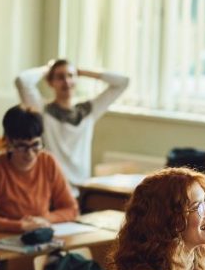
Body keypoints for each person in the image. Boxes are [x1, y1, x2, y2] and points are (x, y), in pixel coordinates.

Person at [15, 59, 129, 187]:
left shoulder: (88, 112)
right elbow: (22, 81)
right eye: (60, 77)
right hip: (53, 188)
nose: (66, 81)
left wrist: (82, 71)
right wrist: (47, 69)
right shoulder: (43, 111)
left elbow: (123, 82)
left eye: (70, 76)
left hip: (82, 189)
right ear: (50, 82)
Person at [0, 106, 80, 232]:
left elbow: (71, 209)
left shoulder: (48, 162)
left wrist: (44, 219)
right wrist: (20, 226)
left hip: (38, 235)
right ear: (8, 142)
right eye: (22, 146)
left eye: (35, 145)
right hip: (2, 240)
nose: (30, 154)